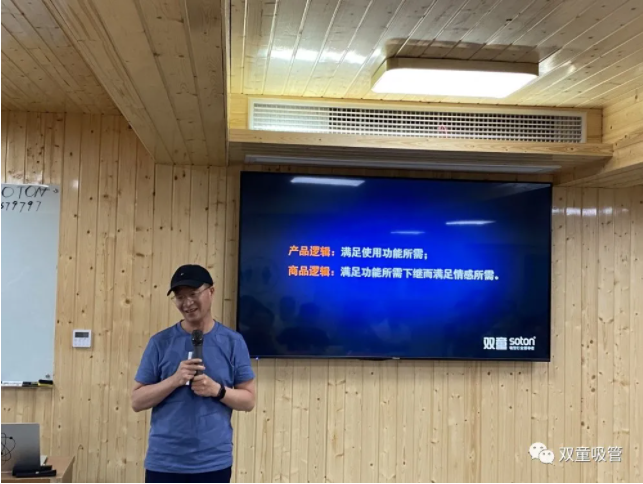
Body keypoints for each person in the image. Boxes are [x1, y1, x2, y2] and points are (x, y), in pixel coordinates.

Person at [131, 264, 256, 483]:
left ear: (211, 291)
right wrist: (174, 380)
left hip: (213, 462)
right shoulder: (160, 342)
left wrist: (217, 390)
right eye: (180, 297)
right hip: (165, 462)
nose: (187, 303)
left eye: (193, 294)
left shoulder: (233, 342)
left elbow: (249, 400)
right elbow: (137, 401)